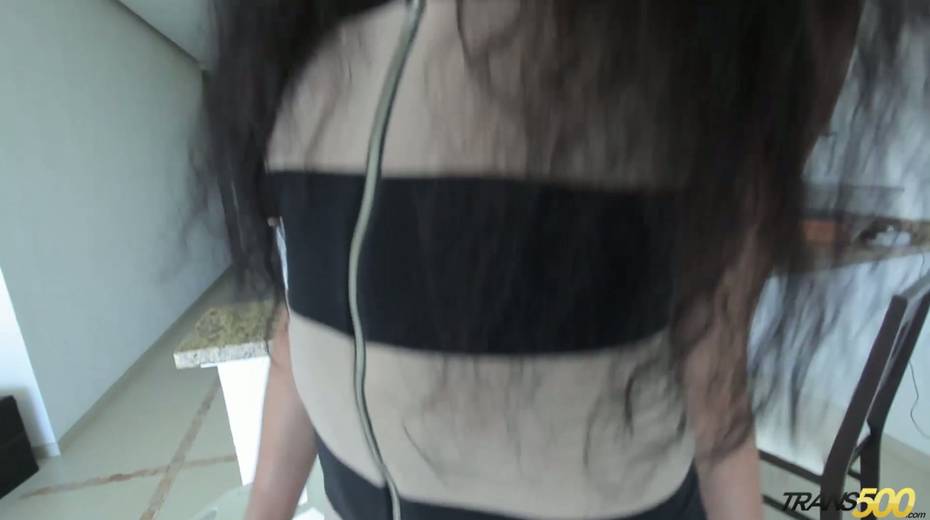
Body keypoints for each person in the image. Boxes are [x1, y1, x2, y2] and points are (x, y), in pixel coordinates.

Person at [194, 1, 928, 519]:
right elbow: (306, 309)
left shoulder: (666, 59)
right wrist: (266, 508)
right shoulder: (302, 54)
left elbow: (715, 369)